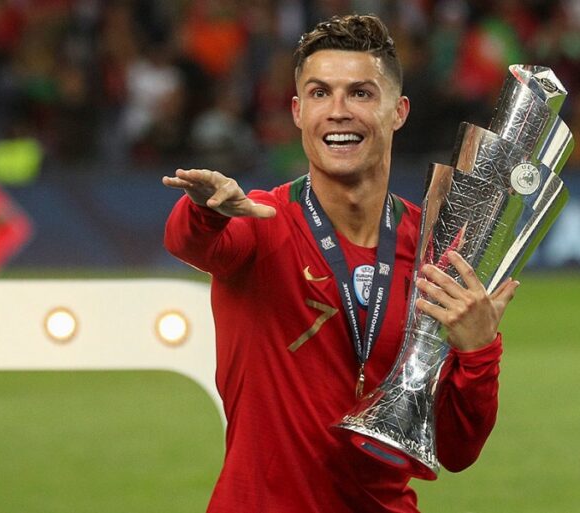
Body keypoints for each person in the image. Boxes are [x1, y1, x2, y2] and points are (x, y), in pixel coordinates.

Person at [163, 14, 518, 513]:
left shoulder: (433, 252)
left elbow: (457, 450)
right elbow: (189, 243)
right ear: (297, 111)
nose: (337, 111)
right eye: (319, 93)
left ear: (398, 111)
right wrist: (204, 209)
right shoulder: (261, 221)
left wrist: (479, 352)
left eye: (361, 94)